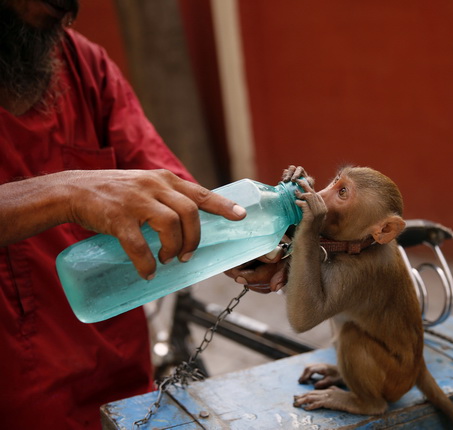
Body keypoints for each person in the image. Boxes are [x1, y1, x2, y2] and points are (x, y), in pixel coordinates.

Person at [0, 1, 280, 428]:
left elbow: (167, 184)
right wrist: (65, 191)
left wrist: (237, 236)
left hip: (124, 396)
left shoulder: (83, 64)